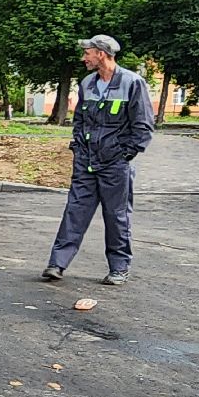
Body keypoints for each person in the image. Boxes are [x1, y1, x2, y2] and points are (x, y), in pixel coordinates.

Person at [42, 34, 155, 286]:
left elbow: (144, 126)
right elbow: (80, 120)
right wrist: (78, 149)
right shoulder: (87, 84)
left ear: (101, 54)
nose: (84, 58)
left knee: (116, 216)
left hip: (115, 164)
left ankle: (119, 268)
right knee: (75, 211)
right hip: (86, 161)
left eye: (88, 53)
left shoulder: (132, 83)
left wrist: (124, 154)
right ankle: (57, 264)